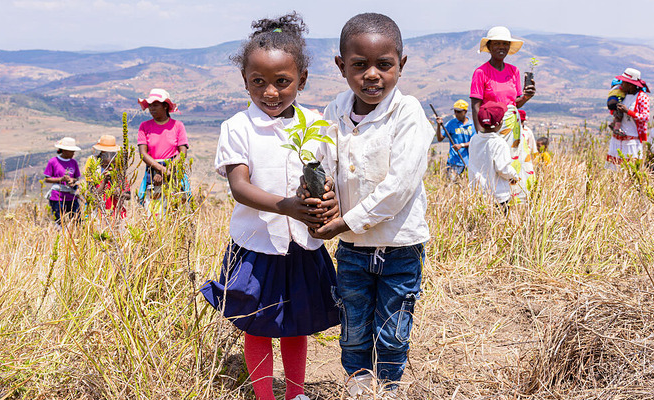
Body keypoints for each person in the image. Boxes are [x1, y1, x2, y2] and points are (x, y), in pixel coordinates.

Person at [198, 13, 340, 400]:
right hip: (256, 249)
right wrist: (288, 206)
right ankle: (265, 396)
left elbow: (328, 177)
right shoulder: (237, 127)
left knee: (296, 325)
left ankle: (294, 394)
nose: (270, 93)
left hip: (302, 247)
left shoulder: (315, 125)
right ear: (245, 81)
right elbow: (240, 188)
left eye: (283, 82)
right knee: (258, 326)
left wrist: (324, 198)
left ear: (302, 80)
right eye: (258, 82)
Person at [305, 12, 432, 397]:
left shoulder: (408, 113)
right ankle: (358, 384)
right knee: (354, 321)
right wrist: (318, 196)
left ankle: (390, 386)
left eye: (384, 65)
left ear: (401, 65)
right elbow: (323, 162)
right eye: (359, 65)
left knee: (394, 325)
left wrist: (343, 222)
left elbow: (399, 188)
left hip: (399, 246)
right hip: (353, 252)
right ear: (342, 66)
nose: (372, 74)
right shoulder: (336, 111)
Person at [469, 26, 536, 130]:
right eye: (497, 43)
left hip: (512, 126)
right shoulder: (481, 73)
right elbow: (475, 106)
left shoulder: (514, 71)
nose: (501, 47)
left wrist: (526, 97)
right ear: (489, 46)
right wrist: (480, 134)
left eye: (505, 43)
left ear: (509, 47)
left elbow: (515, 104)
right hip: (490, 126)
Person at [136, 88, 190, 203]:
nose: (151, 109)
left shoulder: (178, 126)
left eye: (155, 105)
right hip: (153, 171)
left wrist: (169, 170)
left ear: (165, 106)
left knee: (175, 206)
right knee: (154, 207)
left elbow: (182, 153)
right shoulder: (144, 126)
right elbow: (143, 153)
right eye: (150, 105)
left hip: (174, 170)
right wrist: (160, 170)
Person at [467, 102, 518, 207]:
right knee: (500, 221)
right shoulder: (499, 143)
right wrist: (513, 176)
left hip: (478, 194)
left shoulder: (474, 140)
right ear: (500, 123)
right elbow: (502, 168)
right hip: (498, 196)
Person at [604, 68, 650, 170]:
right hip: (617, 138)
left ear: (631, 85)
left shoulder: (642, 97)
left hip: (632, 140)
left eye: (624, 83)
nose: (621, 85)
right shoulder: (621, 94)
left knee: (630, 169)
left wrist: (628, 112)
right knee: (614, 169)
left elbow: (645, 117)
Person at [86, 135, 131, 219]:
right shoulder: (93, 163)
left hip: (117, 212)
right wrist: (104, 182)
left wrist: (120, 194)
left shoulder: (119, 168)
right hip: (99, 212)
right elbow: (92, 195)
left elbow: (128, 195)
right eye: (106, 153)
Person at [44, 137, 82, 226]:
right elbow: (47, 179)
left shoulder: (74, 162)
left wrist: (73, 180)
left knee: (77, 220)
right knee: (60, 221)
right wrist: (61, 179)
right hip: (57, 196)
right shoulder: (53, 162)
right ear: (64, 150)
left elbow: (77, 178)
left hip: (71, 196)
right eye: (71, 151)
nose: (73, 153)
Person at [434, 99, 474, 179]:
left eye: (459, 112)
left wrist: (461, 145)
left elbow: (474, 142)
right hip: (453, 162)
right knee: (451, 185)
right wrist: (439, 126)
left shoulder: (472, 125)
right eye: (455, 111)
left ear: (465, 112)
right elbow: (440, 138)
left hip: (468, 162)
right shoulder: (451, 123)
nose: (456, 114)